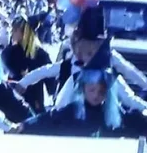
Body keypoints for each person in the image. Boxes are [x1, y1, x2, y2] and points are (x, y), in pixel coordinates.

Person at [16, 6, 147, 113]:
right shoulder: (70, 67)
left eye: (96, 50)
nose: (93, 56)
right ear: (79, 49)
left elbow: (130, 75)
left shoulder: (110, 64)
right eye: (88, 52)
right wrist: (23, 83)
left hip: (104, 116)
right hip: (73, 119)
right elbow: (45, 71)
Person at [19, 38, 147, 138]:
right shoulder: (69, 112)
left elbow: (131, 100)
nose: (96, 95)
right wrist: (24, 126)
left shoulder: (117, 115)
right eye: (92, 90)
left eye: (101, 91)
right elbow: (48, 119)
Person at [2, 13, 53, 112]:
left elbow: (50, 81)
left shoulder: (41, 55)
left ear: (25, 32)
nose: (12, 33)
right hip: (14, 101)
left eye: (15, 30)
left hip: (34, 102)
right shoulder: (10, 52)